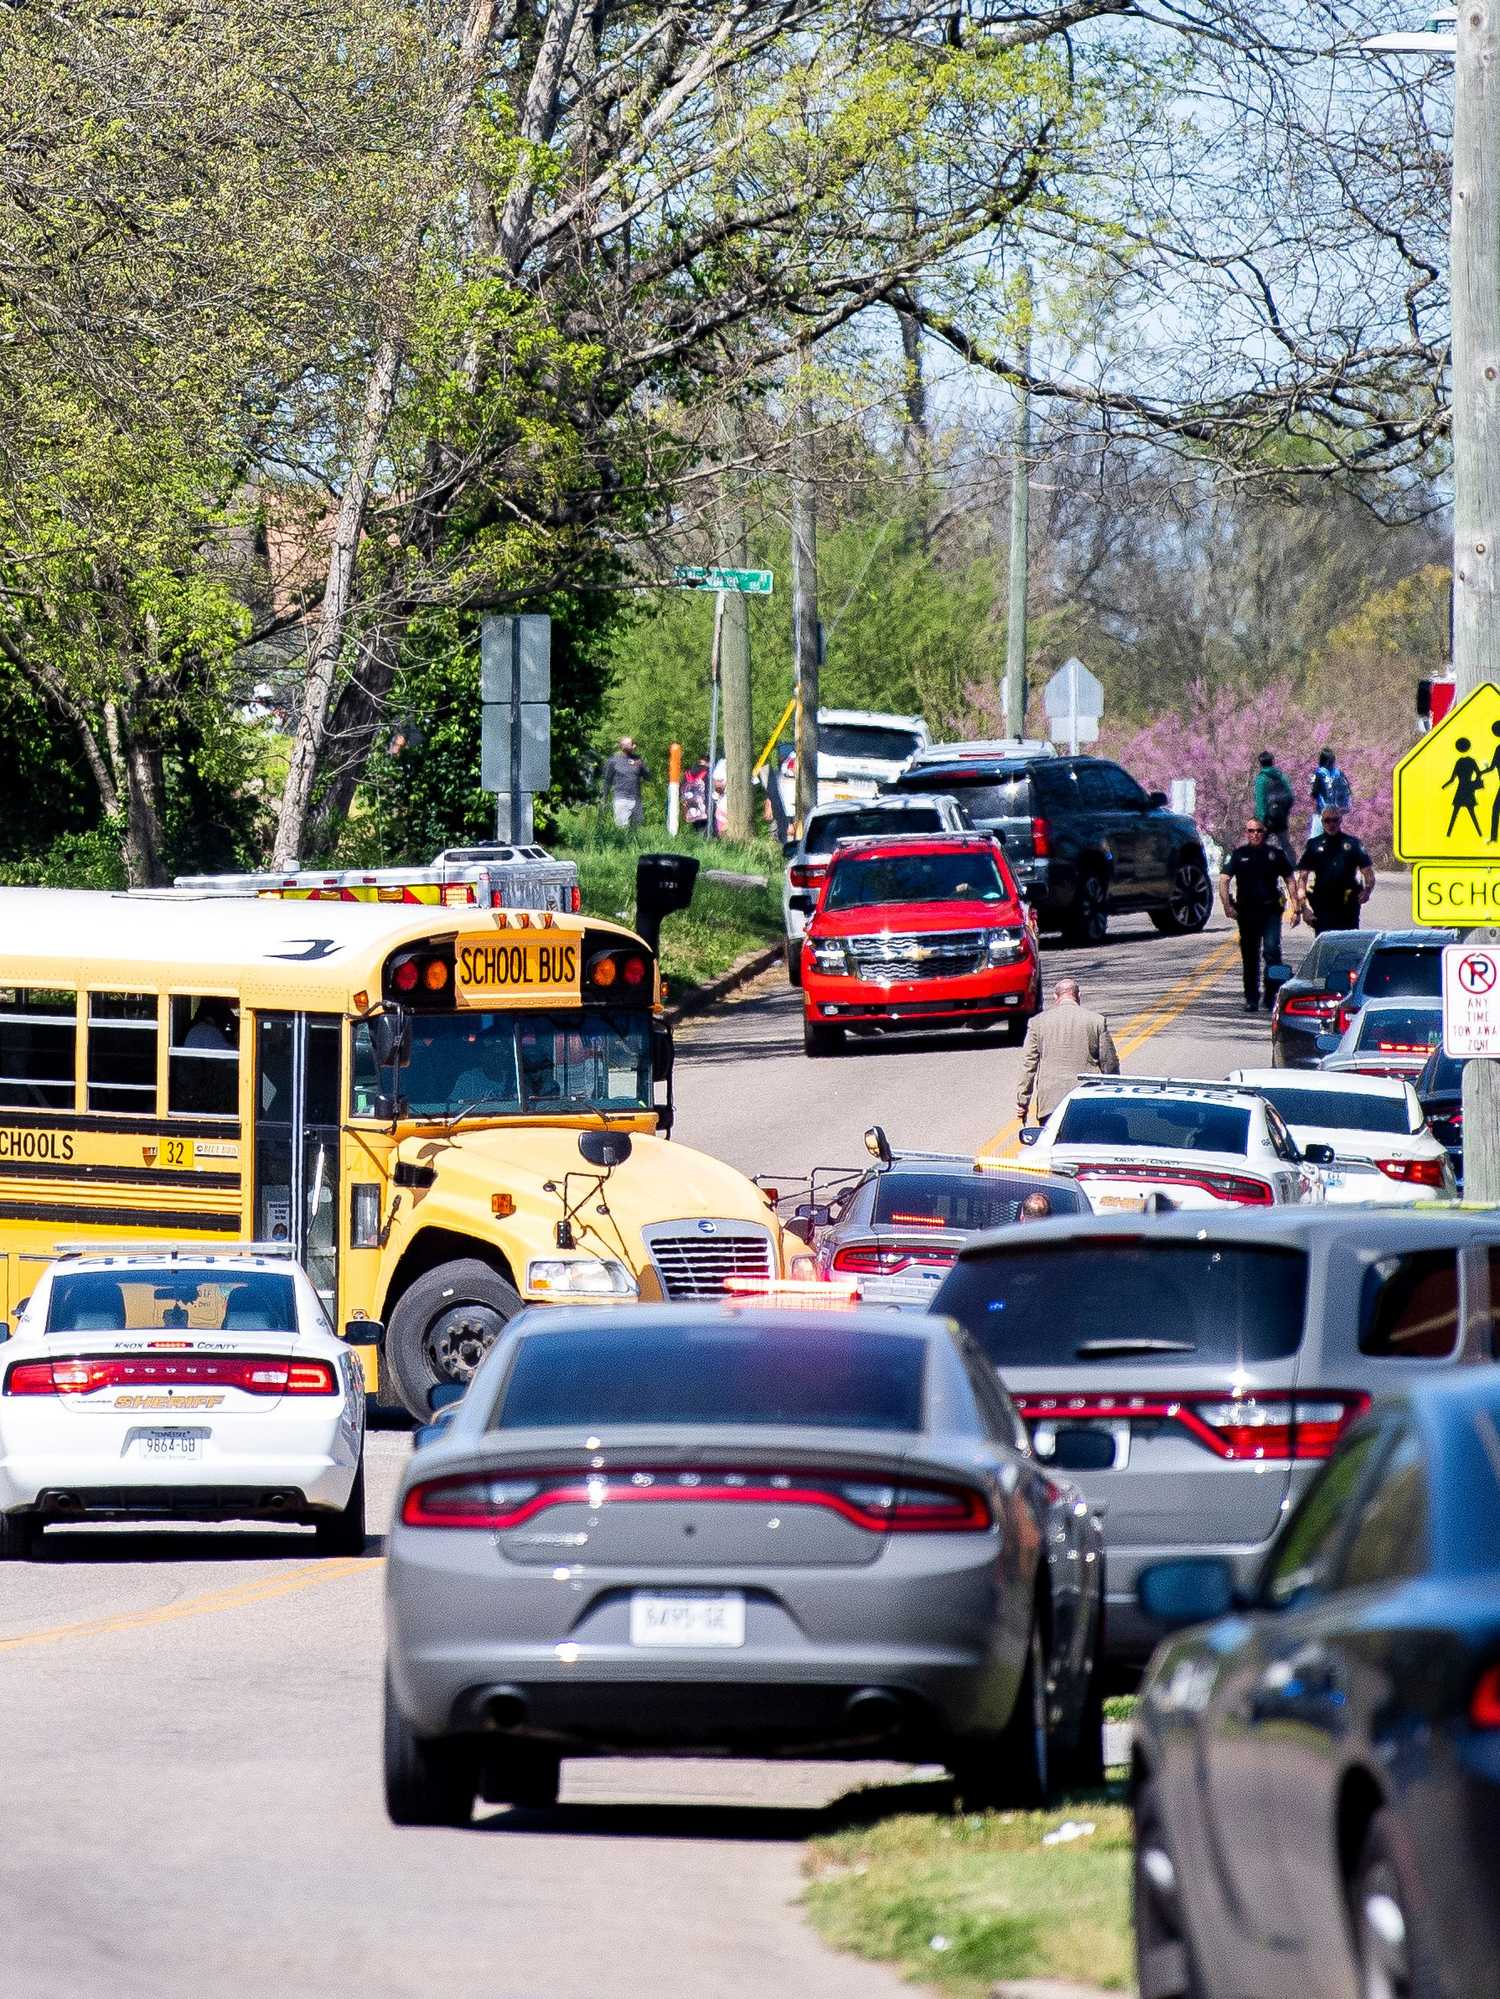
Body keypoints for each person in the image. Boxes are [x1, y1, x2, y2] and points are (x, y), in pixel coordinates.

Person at [1015, 977, 1119, 1126]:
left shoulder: (1037, 1023)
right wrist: (1114, 1093)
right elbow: (1110, 1064)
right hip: (1087, 1099)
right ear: (1078, 996)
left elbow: (1028, 1065)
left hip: (1051, 1101)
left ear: (1055, 997)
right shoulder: (1096, 1021)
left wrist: (1022, 1101)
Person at [1219, 817, 1296, 1012]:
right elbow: (1224, 879)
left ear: (1265, 833)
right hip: (1246, 912)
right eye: (1251, 831)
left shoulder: (1275, 854)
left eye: (1259, 831)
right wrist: (1227, 906)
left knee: (1272, 952)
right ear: (1247, 833)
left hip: (1270, 911)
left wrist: (1296, 906)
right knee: (1249, 955)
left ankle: (1272, 996)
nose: (1255, 834)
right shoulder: (1239, 854)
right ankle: (1251, 998)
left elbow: (1289, 879)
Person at [1295, 806, 1375, 935]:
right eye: (1327, 820)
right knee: (1325, 943)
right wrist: (1304, 908)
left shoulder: (1353, 844)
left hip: (1348, 901)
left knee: (1348, 943)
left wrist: (1367, 891)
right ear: (1322, 822)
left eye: (1335, 820)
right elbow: (1302, 878)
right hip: (1323, 902)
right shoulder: (1313, 845)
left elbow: (1368, 873)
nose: (1331, 824)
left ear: (1340, 820)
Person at [1252, 751, 1296, 859]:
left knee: (1258, 844)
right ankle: (1292, 869)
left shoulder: (1261, 779)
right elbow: (1290, 797)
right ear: (1273, 761)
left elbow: (1260, 801)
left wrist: (1260, 821)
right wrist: (1284, 812)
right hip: (1281, 817)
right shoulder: (1282, 776)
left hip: (1267, 819)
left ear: (1260, 763)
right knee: (1285, 844)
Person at [601, 737, 650, 828]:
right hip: (621, 799)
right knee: (622, 829)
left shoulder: (638, 760)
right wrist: (604, 797)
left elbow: (648, 777)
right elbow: (607, 780)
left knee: (636, 830)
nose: (635, 746)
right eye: (632, 744)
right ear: (624, 746)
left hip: (636, 800)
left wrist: (642, 765)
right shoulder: (613, 761)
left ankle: (635, 842)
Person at [1308, 747, 1353, 845]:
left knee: (1314, 842)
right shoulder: (1339, 773)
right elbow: (1347, 789)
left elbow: (1314, 793)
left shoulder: (1319, 773)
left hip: (1321, 813)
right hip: (1336, 813)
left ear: (1322, 759)